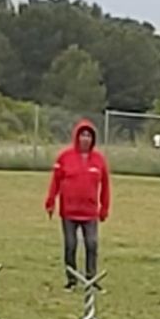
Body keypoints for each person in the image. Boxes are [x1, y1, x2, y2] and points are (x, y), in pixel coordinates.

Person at [45, 119, 111, 290]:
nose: (85, 139)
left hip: (90, 213)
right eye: (82, 135)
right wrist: (50, 201)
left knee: (92, 244)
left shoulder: (99, 160)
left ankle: (91, 278)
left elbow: (105, 185)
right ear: (77, 137)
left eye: (89, 136)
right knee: (70, 245)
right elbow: (55, 182)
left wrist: (104, 208)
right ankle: (71, 279)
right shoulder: (64, 157)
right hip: (69, 212)